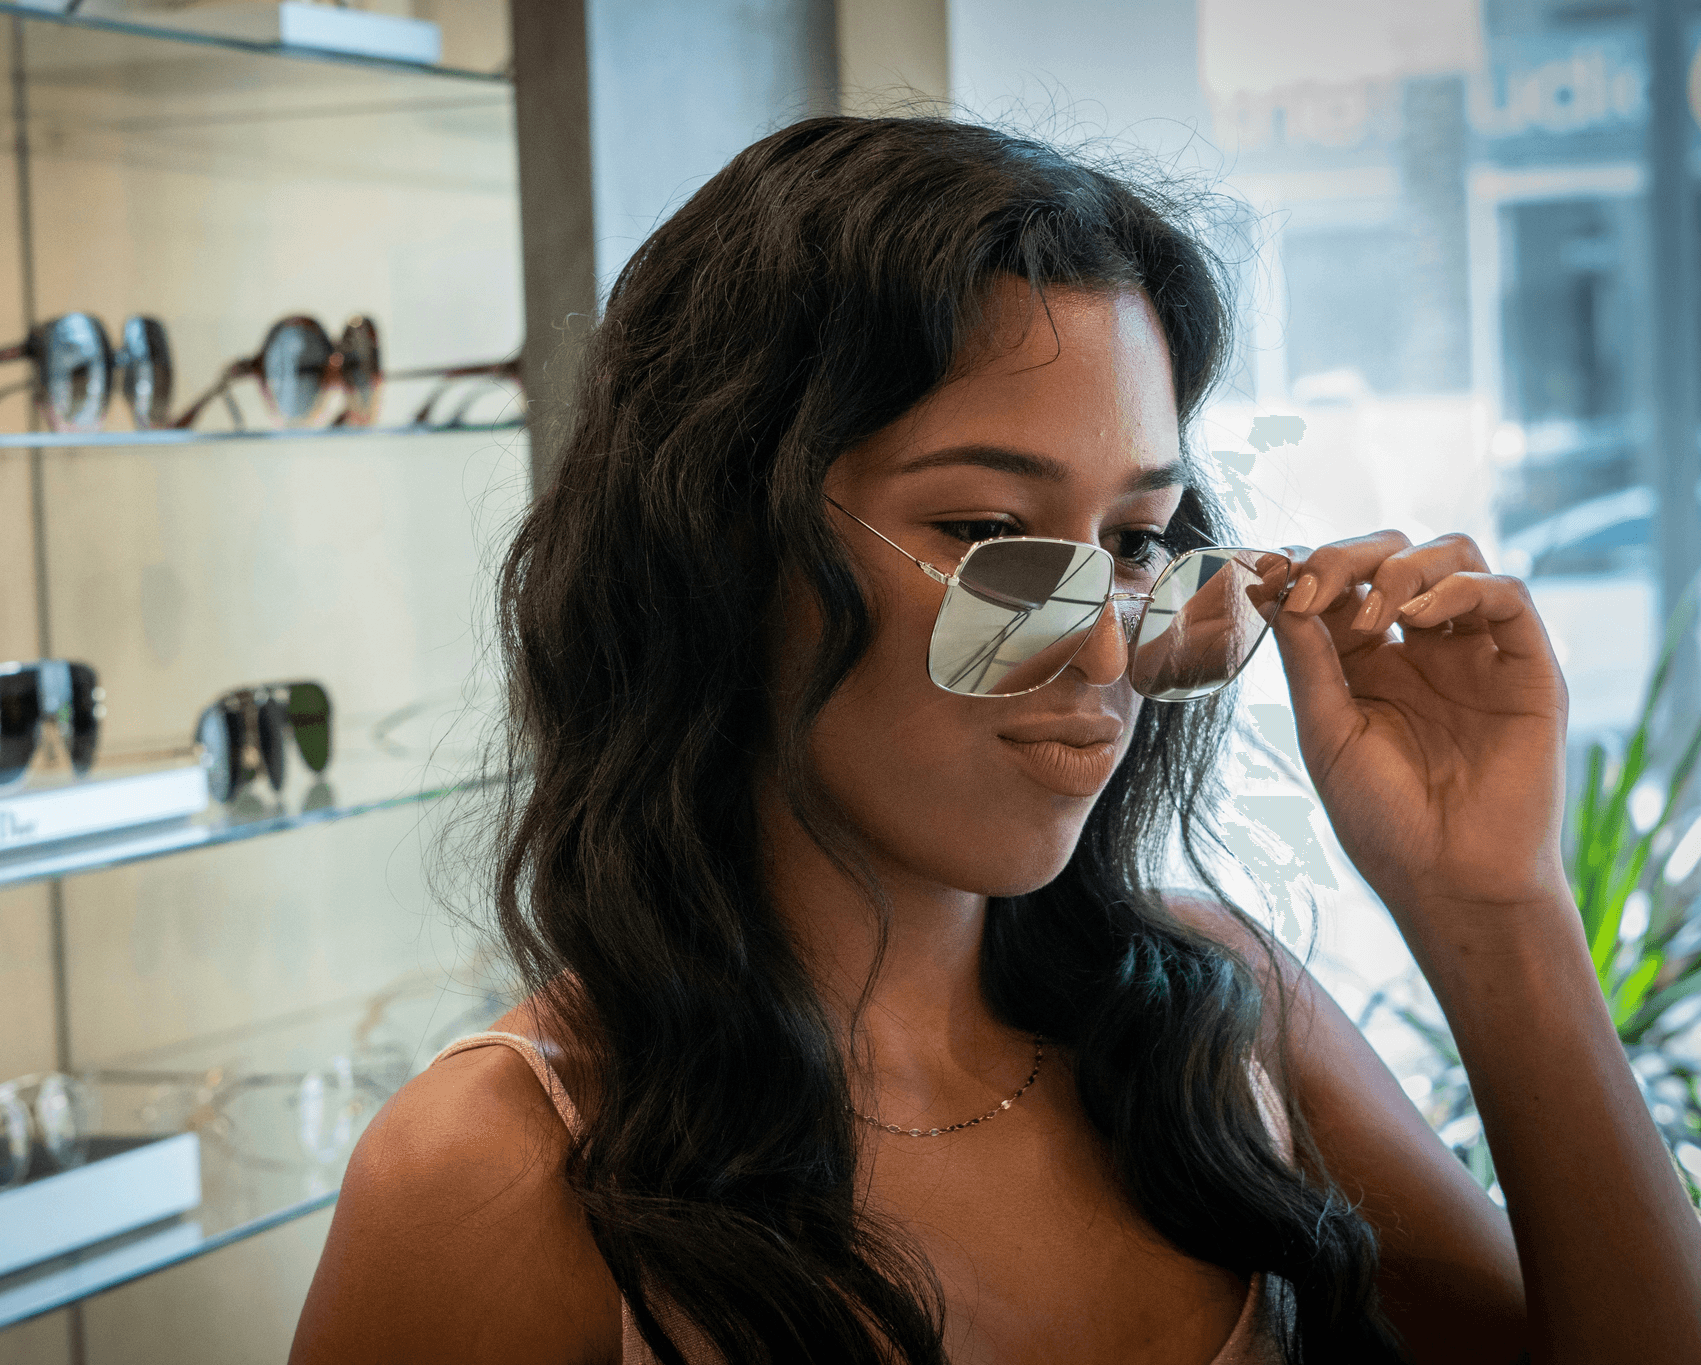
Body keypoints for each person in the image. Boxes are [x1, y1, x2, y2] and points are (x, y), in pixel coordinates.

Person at [288, 117, 1701, 1364]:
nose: (1101, 650)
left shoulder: (1219, 1027)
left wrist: (1492, 909)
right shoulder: (506, 1172)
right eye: (984, 538)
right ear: (715, 544)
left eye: (1138, 542)